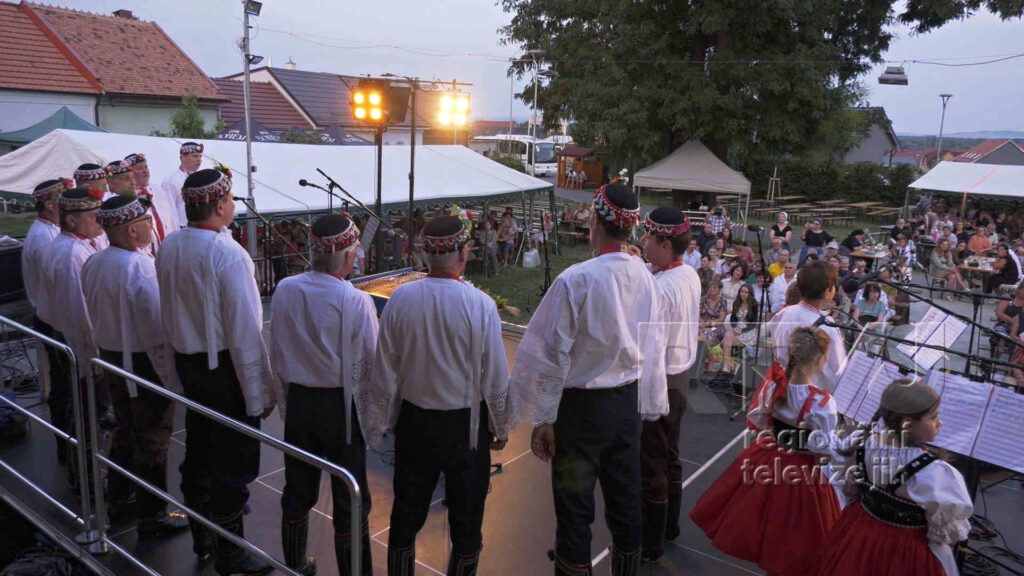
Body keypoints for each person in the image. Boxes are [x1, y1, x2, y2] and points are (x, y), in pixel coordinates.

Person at [509, 183, 667, 575]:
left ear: (594, 219)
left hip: (581, 412)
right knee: (625, 501)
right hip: (626, 406)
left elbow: (550, 353)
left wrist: (544, 418)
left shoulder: (576, 280)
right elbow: (654, 344)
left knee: (575, 508)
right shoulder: (646, 277)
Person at [369, 215, 512, 574]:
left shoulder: (401, 299)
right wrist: (502, 425)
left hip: (415, 422)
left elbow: (385, 367)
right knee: (467, 524)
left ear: (424, 255)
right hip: (467, 427)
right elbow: (495, 374)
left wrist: (383, 420)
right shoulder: (480, 304)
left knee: (406, 514)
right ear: (463, 254)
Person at [156, 168, 275, 574]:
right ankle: (231, 553)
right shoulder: (228, 254)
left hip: (189, 363)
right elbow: (245, 329)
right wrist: (258, 391)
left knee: (201, 447)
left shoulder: (170, 244)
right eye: (230, 199)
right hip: (223, 368)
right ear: (220, 204)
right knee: (233, 459)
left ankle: (203, 538)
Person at [269, 214, 376, 576]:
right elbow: (370, 361)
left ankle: (295, 565)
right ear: (346, 257)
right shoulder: (355, 301)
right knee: (350, 495)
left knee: (297, 488)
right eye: (355, 249)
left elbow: (277, 346)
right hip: (340, 407)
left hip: (300, 402)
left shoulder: (286, 288)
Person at [690, 327, 843, 576]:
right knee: (794, 533)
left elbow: (760, 421)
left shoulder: (774, 385)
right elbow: (823, 453)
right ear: (820, 360)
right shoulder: (821, 404)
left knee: (767, 523)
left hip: (770, 458)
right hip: (802, 472)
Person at [81, 195, 188, 538]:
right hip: (141, 362)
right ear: (131, 229)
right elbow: (156, 326)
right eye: (145, 221)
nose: (150, 226)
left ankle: (120, 499)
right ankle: (152, 516)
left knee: (126, 428)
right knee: (153, 436)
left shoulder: (94, 261)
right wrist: (171, 375)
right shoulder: (139, 267)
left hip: (111, 356)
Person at [813, 379, 973, 576]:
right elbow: (949, 535)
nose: (940, 423)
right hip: (905, 552)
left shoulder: (862, 445)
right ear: (907, 423)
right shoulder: (932, 472)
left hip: (858, 532)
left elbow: (851, 490)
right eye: (933, 417)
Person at [638, 208, 700, 564]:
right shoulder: (688, 273)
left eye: (648, 237)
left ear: (665, 244)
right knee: (670, 455)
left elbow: (643, 342)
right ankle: (670, 527)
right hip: (680, 377)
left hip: (658, 380)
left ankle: (649, 544)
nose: (643, 242)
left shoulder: (660, 289)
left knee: (651, 462)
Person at [41, 187, 112, 483]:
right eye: (93, 215)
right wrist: (91, 361)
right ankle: (90, 480)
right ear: (71, 220)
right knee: (88, 415)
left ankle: (82, 472)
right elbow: (79, 314)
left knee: (82, 411)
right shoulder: (73, 255)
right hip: (80, 347)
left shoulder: (74, 246)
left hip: (69, 340)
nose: (100, 221)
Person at [23, 179, 70, 465]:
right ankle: (66, 444)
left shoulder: (50, 232)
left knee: (66, 383)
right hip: (53, 319)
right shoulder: (43, 237)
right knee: (64, 385)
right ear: (51, 204)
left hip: (55, 316)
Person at [768, 260, 845, 392]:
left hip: (781, 387)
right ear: (827, 292)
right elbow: (836, 372)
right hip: (810, 395)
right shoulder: (827, 327)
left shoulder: (783, 313)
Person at [125, 153, 181, 253]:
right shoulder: (128, 197)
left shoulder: (158, 189)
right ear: (130, 173)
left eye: (146, 167)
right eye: (140, 168)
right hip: (145, 251)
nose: (145, 171)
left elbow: (172, 217)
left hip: (168, 247)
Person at [160, 141, 203, 225]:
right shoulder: (171, 181)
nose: (199, 160)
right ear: (183, 157)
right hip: (181, 228)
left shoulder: (202, 178)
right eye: (195, 156)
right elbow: (168, 212)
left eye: (200, 156)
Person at [720, 283, 760, 372]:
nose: (743, 294)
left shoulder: (754, 305)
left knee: (725, 340)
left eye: (746, 292)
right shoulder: (736, 303)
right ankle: (728, 365)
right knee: (727, 337)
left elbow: (753, 323)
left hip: (748, 330)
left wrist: (742, 330)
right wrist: (734, 327)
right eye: (742, 291)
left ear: (750, 294)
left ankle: (727, 366)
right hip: (737, 328)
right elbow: (733, 319)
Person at [699, 280, 729, 367]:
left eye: (715, 287)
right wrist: (702, 323)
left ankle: (710, 362)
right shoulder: (703, 299)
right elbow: (698, 314)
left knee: (709, 335)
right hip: (702, 323)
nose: (712, 289)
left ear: (719, 289)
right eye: (711, 287)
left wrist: (709, 324)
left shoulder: (723, 301)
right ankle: (697, 359)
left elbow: (721, 319)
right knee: (697, 332)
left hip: (716, 325)